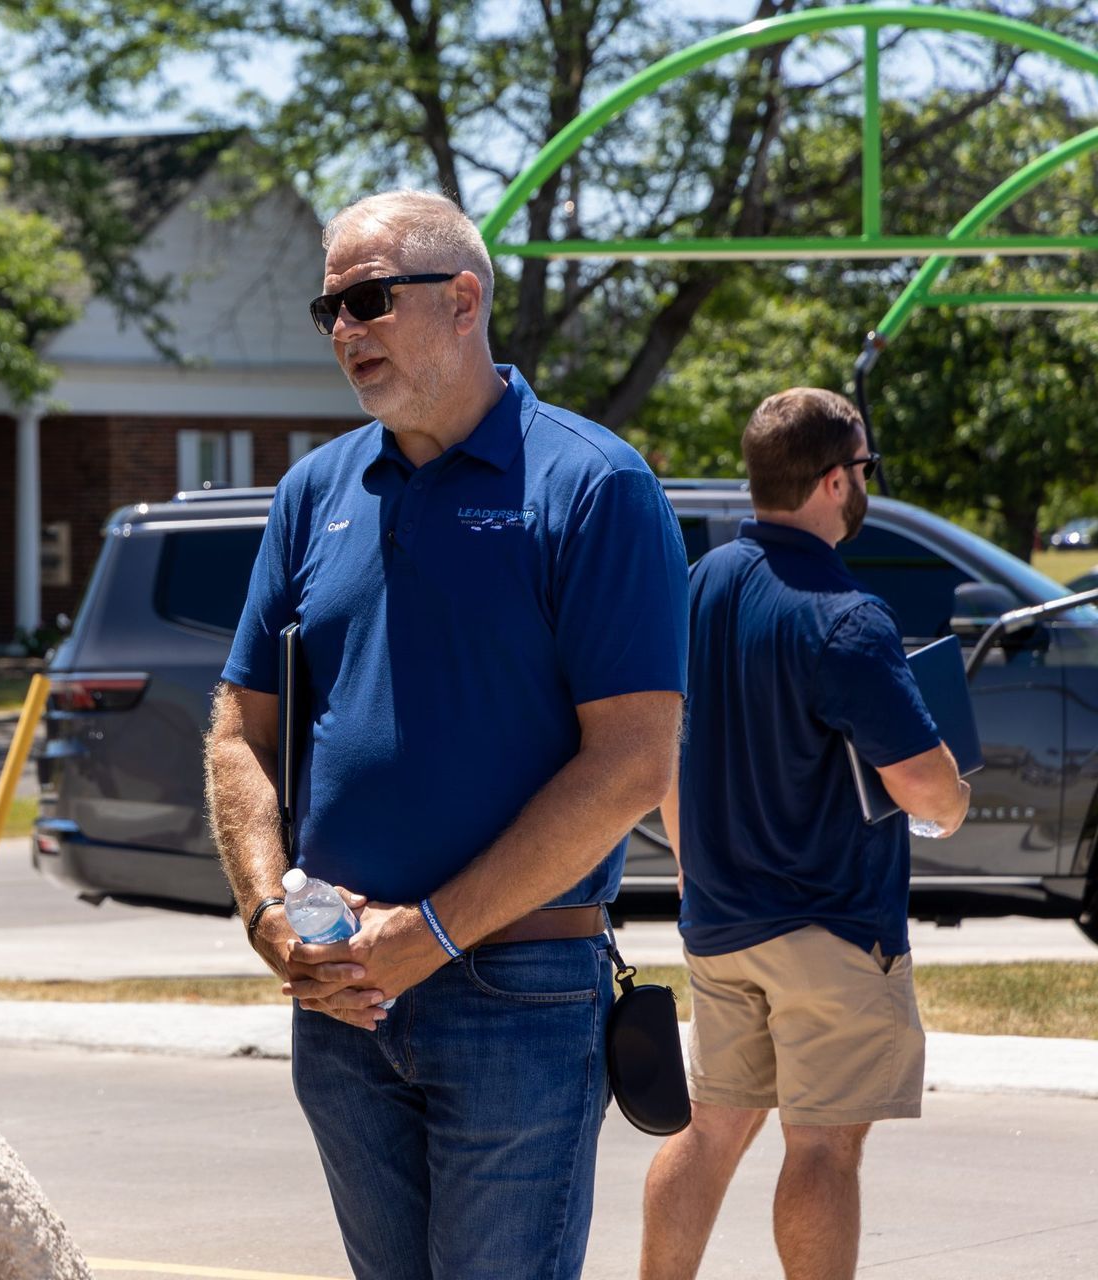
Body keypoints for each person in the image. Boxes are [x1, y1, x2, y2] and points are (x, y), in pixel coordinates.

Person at [204, 189, 689, 1279]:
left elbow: (631, 765)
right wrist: (268, 909)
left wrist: (432, 929)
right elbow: (239, 726)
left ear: (463, 299)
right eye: (328, 305)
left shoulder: (595, 485)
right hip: (338, 997)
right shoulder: (311, 491)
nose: (343, 328)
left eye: (369, 298)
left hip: (517, 996)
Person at [639, 388, 971, 1280]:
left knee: (709, 1134)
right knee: (823, 1148)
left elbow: (664, 746)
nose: (865, 484)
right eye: (865, 469)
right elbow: (921, 784)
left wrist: (688, 865)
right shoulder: (848, 616)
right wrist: (953, 800)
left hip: (717, 922)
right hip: (829, 927)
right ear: (833, 481)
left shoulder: (697, 589)